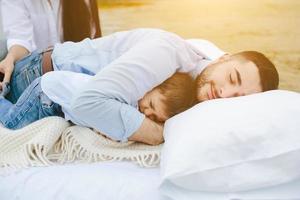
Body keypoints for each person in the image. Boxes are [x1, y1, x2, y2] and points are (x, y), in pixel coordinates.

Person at [0, 28, 279, 145]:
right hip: (36, 76)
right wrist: (160, 134)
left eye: (237, 98)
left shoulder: (197, 89)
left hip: (61, 88)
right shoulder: (167, 54)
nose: (225, 94)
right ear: (224, 58)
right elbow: (91, 102)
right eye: (232, 79)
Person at [0, 71, 196, 145]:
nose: (147, 113)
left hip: (57, 98)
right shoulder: (126, 96)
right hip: (46, 95)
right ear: (151, 86)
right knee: (10, 127)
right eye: (151, 104)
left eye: (155, 117)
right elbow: (112, 129)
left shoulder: (134, 102)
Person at [0, 0, 101, 85]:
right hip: (37, 76)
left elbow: (91, 42)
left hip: (77, 71)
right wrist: (11, 58)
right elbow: (21, 40)